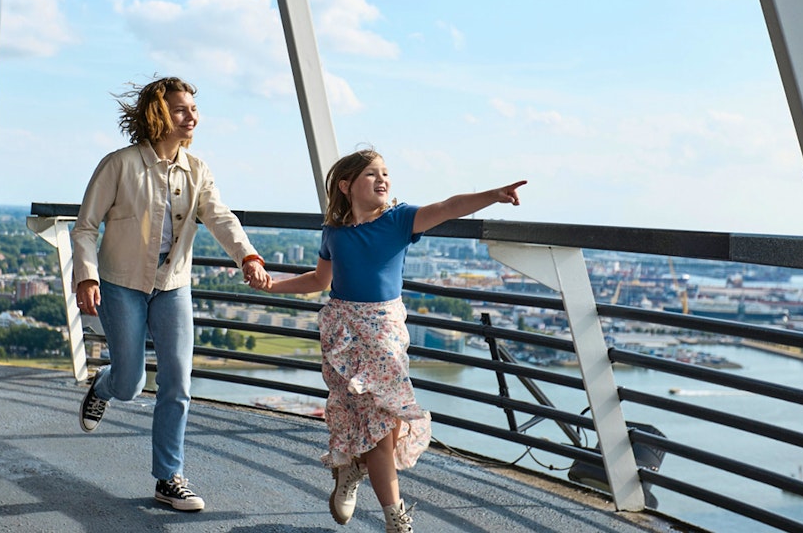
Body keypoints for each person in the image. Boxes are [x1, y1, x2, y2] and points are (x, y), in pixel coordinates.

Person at [255, 149, 525, 532]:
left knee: (387, 424)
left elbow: (449, 206)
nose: (383, 180)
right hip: (345, 335)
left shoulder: (400, 220)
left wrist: (493, 194)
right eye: (372, 174)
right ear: (346, 186)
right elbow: (320, 281)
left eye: (386, 173)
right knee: (376, 425)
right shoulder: (333, 232)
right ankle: (392, 515)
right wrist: (274, 286)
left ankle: (354, 471)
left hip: (385, 335)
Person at [70, 76, 271, 513]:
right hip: (121, 284)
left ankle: (168, 478)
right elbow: (85, 227)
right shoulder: (118, 165)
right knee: (130, 383)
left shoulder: (197, 170)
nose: (192, 116)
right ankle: (103, 388)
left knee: (177, 383)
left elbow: (220, 217)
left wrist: (248, 256)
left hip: (173, 286)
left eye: (194, 109)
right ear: (158, 115)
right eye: (181, 109)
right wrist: (86, 277)